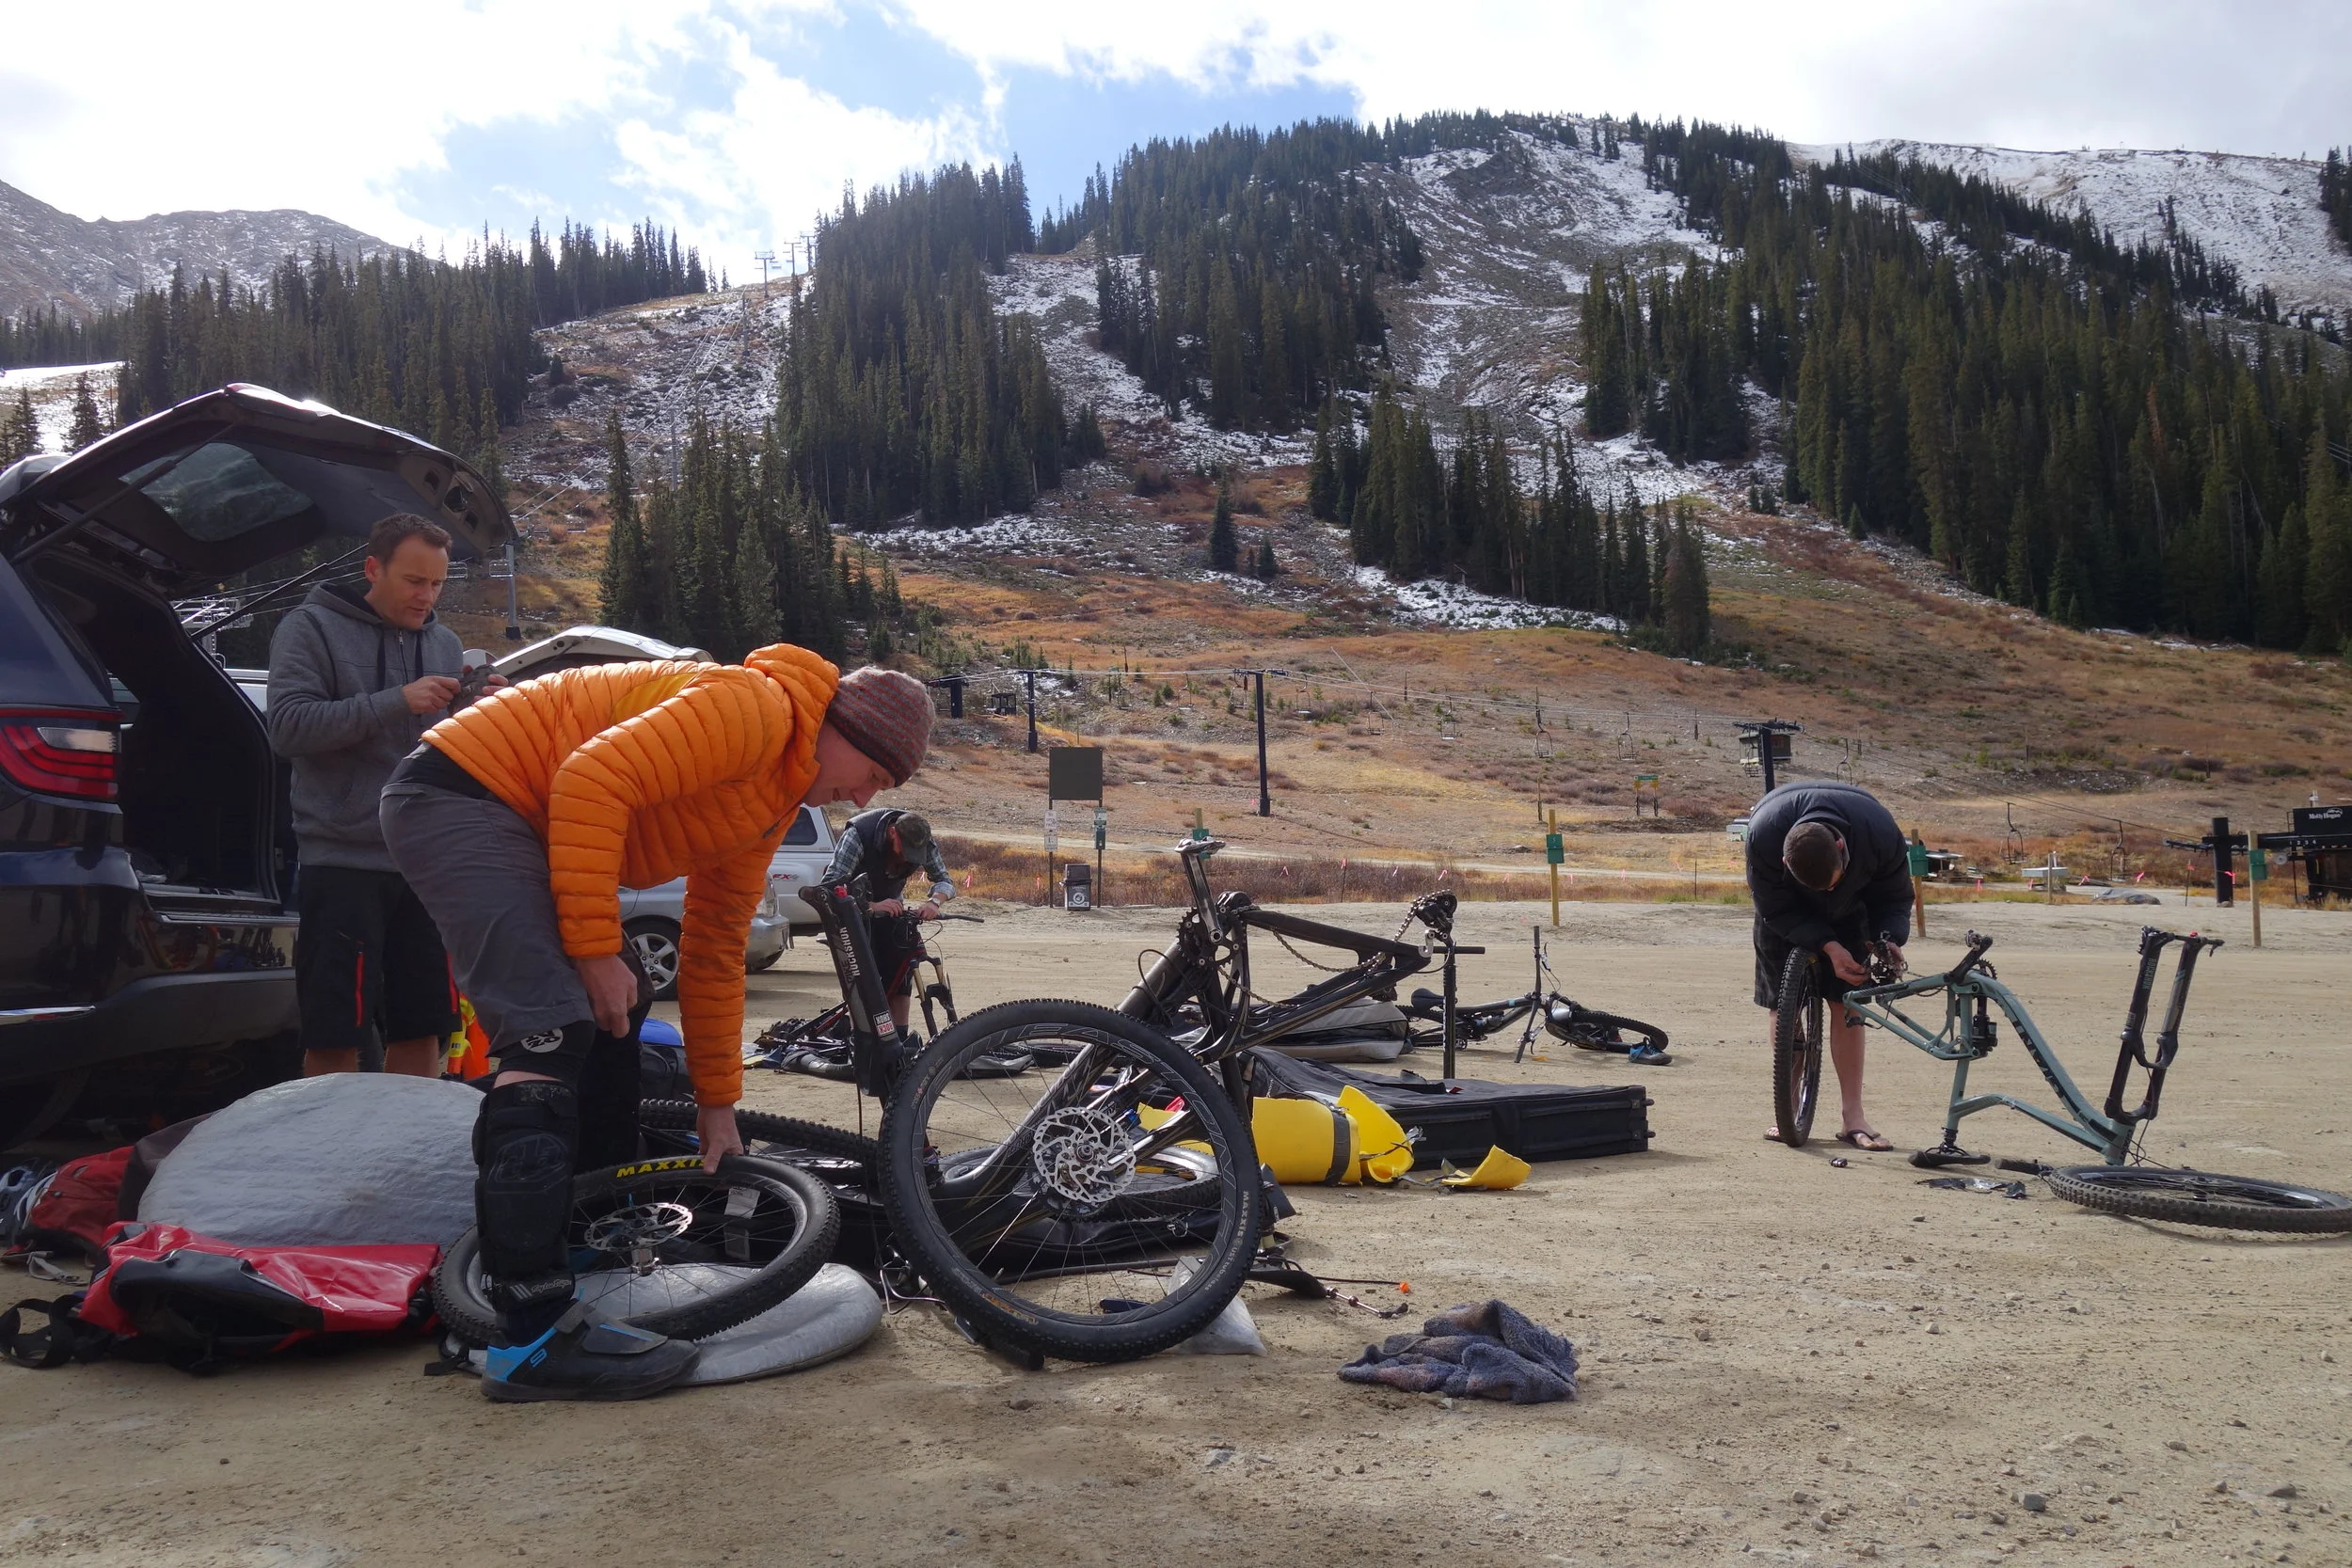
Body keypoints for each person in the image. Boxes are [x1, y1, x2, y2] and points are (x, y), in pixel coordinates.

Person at [380, 649, 932, 1402]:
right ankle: (529, 1334)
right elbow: (589, 778)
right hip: (465, 791)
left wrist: (716, 1103)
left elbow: (711, 950)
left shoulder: (771, 797)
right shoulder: (756, 710)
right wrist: (599, 946)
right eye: (871, 770)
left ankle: (590, 1252)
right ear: (839, 724)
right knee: (552, 1025)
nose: (866, 793)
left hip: (522, 812)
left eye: (883, 787)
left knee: (621, 1006)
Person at [266, 515, 496, 1079]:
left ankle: (406, 1160)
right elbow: (288, 729)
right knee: (335, 1032)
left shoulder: (443, 642)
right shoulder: (310, 627)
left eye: (438, 584)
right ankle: (332, 1159)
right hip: (341, 860)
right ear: (374, 568)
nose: (427, 596)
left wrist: (478, 711)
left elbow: (442, 746)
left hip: (423, 864)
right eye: (415, 581)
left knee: (425, 1027)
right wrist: (397, 700)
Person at [1744, 781, 1914, 1151]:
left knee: (1847, 1000)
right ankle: (1786, 1108)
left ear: (1841, 847)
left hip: (1854, 904)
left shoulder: (1880, 833)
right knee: (1780, 1003)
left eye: (1829, 884)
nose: (1824, 894)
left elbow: (1895, 897)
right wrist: (1827, 945)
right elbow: (1774, 907)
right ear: (1785, 861)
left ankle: (1853, 1115)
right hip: (1784, 912)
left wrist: (1890, 939)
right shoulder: (1763, 835)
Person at [820, 808, 957, 1034]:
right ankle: (861, 1040)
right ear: (893, 832)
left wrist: (934, 902)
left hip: (891, 910)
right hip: (852, 915)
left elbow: (945, 880)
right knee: (863, 984)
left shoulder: (923, 839)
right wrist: (870, 905)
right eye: (905, 851)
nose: (908, 858)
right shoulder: (859, 834)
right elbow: (830, 887)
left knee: (901, 977)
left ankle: (899, 1037)